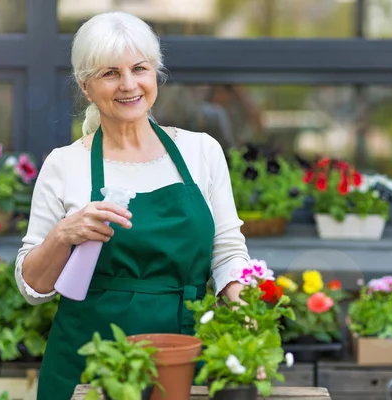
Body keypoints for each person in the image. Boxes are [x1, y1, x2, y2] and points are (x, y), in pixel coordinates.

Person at [14, 11, 251, 400]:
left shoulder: (200, 152)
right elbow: (33, 288)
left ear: (155, 73)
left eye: (139, 68)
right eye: (110, 73)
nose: (128, 85)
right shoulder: (64, 164)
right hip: (88, 363)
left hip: (183, 353)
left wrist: (248, 319)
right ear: (85, 87)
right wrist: (63, 235)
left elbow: (226, 253)